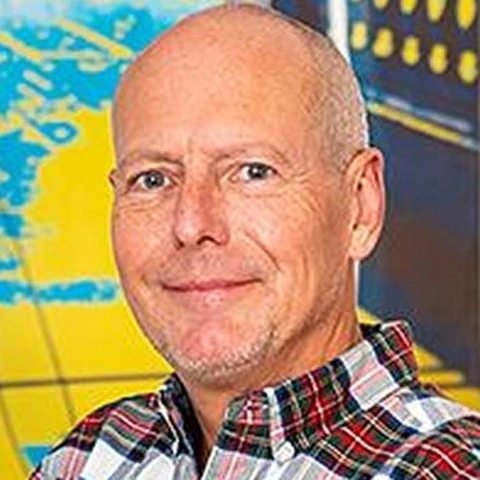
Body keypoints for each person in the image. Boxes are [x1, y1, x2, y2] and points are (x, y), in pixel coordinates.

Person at [31, 4, 480, 479]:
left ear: (360, 206)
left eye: (253, 172)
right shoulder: (88, 458)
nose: (191, 224)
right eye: (153, 179)